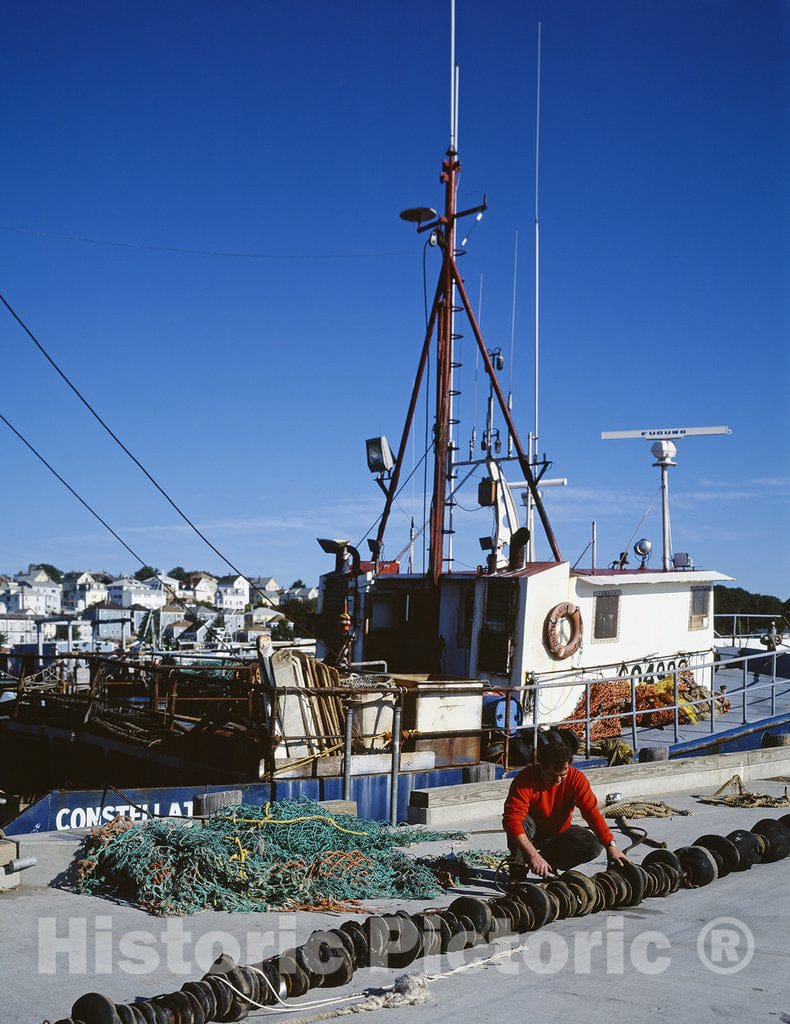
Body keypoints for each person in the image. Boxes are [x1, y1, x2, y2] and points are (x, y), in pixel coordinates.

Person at [502, 728, 628, 880]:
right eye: (553, 777)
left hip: (558, 832)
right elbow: (512, 821)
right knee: (520, 822)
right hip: (532, 833)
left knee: (592, 845)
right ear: (541, 767)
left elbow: (591, 812)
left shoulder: (576, 779)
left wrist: (611, 846)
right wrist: (533, 854)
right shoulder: (524, 780)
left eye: (563, 776)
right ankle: (517, 871)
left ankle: (548, 863)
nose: (558, 781)